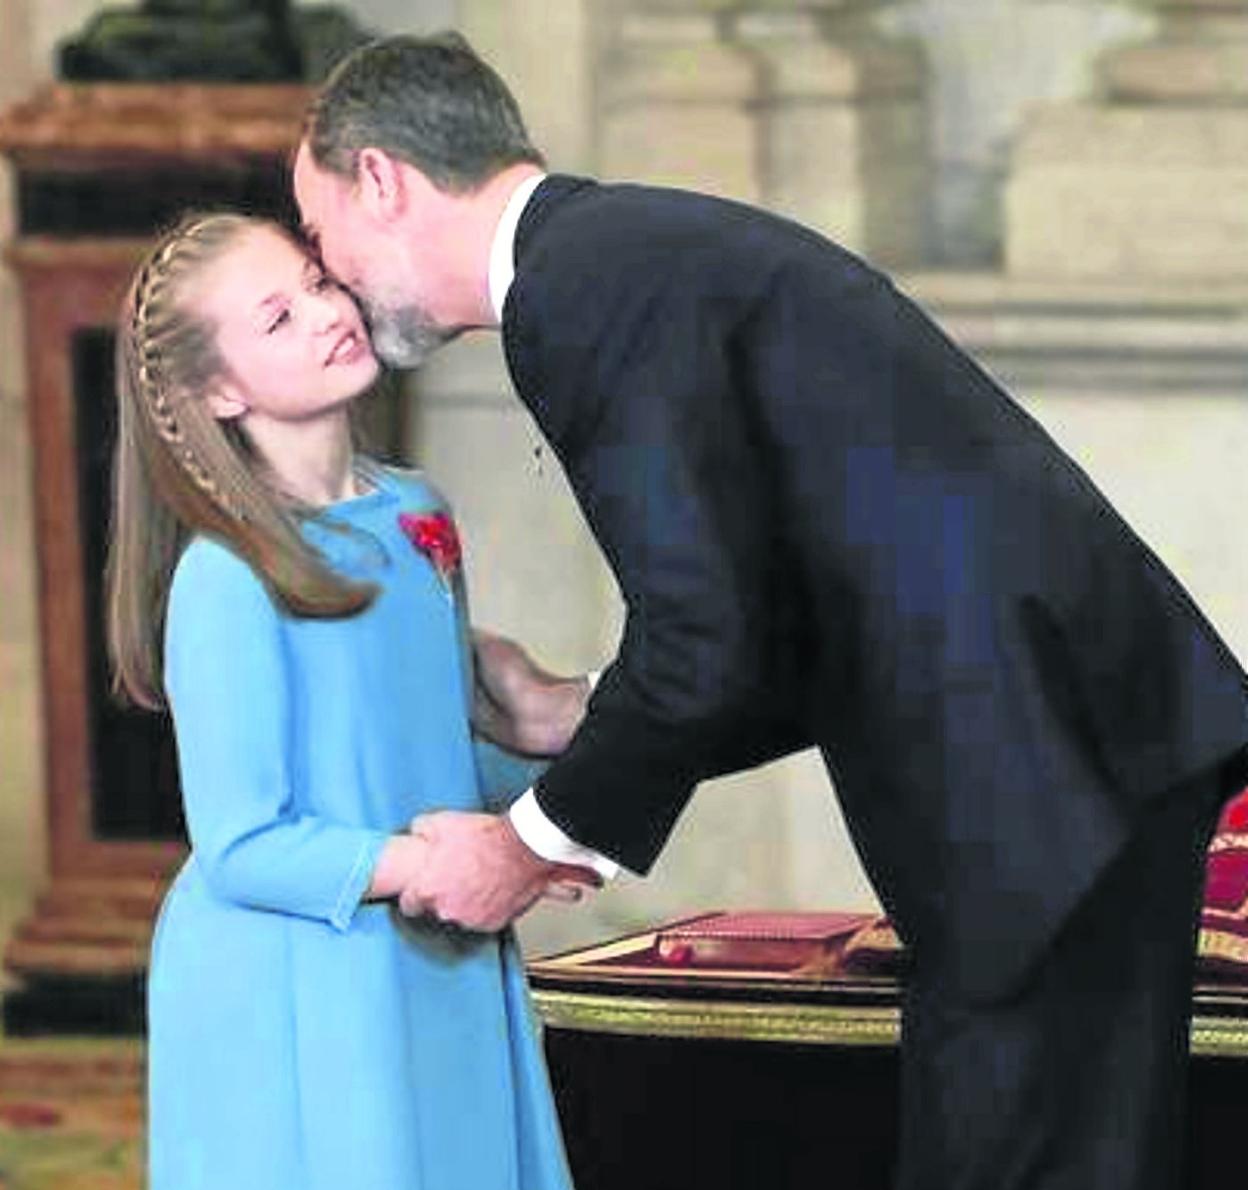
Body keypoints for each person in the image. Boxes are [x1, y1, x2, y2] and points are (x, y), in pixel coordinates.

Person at [294, 32, 1248, 1190]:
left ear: (382, 180)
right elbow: (789, 607)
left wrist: (526, 845)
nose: (327, 270)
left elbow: (708, 636)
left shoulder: (578, 293)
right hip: (1067, 754)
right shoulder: (622, 251)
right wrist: (576, 711)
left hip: (1037, 779)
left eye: (316, 230)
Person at [105, 210, 587, 1190]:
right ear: (220, 390)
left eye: (317, 283)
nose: (326, 313)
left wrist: (543, 804)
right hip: (305, 972)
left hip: (431, 946)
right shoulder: (228, 577)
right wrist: (437, 860)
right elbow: (242, 842)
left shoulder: (416, 512)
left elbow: (424, 756)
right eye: (277, 317)